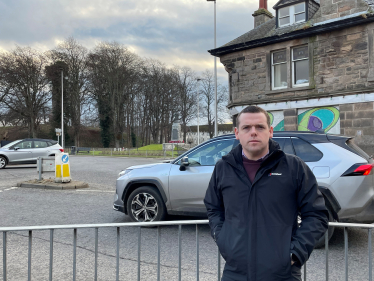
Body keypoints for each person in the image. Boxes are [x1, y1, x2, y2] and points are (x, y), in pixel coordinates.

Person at [204, 105, 329, 281]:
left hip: (282, 273)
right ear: (237, 133)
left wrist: (295, 254)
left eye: (260, 127)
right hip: (235, 273)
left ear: (270, 131)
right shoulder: (223, 168)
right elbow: (213, 208)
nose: (253, 132)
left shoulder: (294, 167)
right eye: (246, 127)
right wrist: (222, 238)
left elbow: (317, 215)